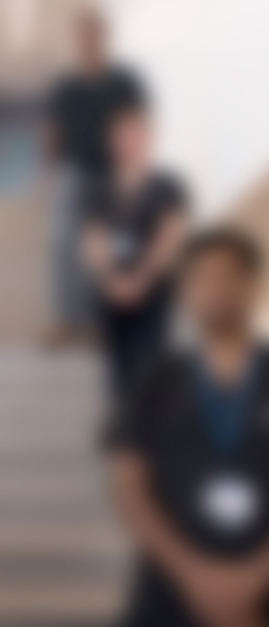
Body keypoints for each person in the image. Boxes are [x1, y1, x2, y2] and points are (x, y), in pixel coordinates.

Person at [108, 228, 269, 626]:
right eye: (203, 278)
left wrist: (253, 578)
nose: (217, 289)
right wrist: (193, 575)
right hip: (170, 587)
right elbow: (129, 484)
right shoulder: (156, 379)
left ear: (253, 284)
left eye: (229, 275)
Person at [44, 9, 146, 344]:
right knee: (63, 245)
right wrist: (48, 174)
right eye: (84, 36)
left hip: (110, 173)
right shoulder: (68, 87)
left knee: (106, 248)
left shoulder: (122, 82)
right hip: (73, 172)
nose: (89, 41)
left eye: (95, 35)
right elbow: (53, 131)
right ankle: (67, 320)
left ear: (104, 38)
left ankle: (100, 321)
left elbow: (135, 125)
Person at [80, 97, 187, 394]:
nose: (128, 141)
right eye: (121, 135)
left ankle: (151, 427)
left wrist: (141, 280)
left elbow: (170, 237)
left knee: (152, 362)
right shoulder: (99, 189)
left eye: (135, 134)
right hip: (111, 292)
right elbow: (94, 238)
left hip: (153, 291)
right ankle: (124, 428)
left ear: (148, 137)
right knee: (118, 368)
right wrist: (111, 279)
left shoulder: (167, 186)